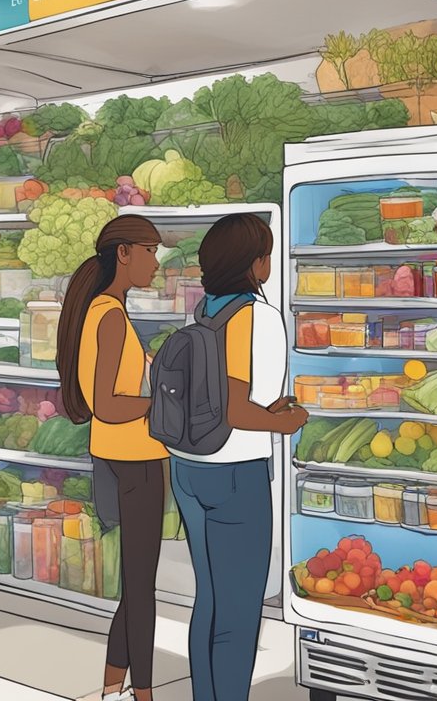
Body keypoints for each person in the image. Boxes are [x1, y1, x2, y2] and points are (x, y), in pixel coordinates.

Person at [168, 213, 306, 701]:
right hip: (234, 474)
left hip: (187, 468)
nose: (268, 262)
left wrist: (266, 410)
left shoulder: (203, 309)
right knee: (240, 609)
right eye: (265, 254)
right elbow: (235, 407)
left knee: (208, 597)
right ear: (254, 263)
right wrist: (283, 422)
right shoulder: (259, 317)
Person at [56, 216, 167, 701]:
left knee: (134, 583)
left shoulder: (102, 310)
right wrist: (163, 404)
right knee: (142, 587)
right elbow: (107, 403)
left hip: (115, 457)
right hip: (134, 460)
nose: (157, 262)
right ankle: (142, 692)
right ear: (123, 253)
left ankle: (111, 687)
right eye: (150, 250)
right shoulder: (111, 316)